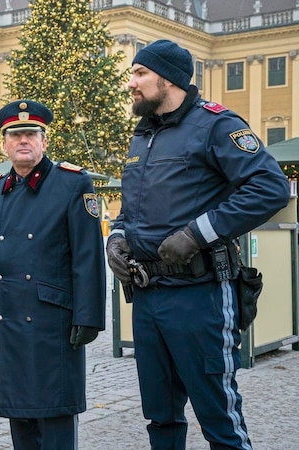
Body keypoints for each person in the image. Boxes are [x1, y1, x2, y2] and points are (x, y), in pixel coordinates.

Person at [106, 40, 290, 450]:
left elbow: (270, 187)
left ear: (167, 79)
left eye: (139, 74)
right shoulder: (143, 134)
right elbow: (131, 209)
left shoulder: (216, 125)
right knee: (160, 418)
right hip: (149, 297)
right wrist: (117, 238)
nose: (131, 83)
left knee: (219, 418)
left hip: (201, 297)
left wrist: (198, 233)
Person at [0, 100, 106, 449]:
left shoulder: (72, 184)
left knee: (56, 420)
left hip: (54, 325)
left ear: (44, 141)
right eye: (15, 136)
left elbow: (88, 255)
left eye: (31, 134)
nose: (23, 141)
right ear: (4, 144)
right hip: (11, 322)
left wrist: (89, 316)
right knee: (22, 424)